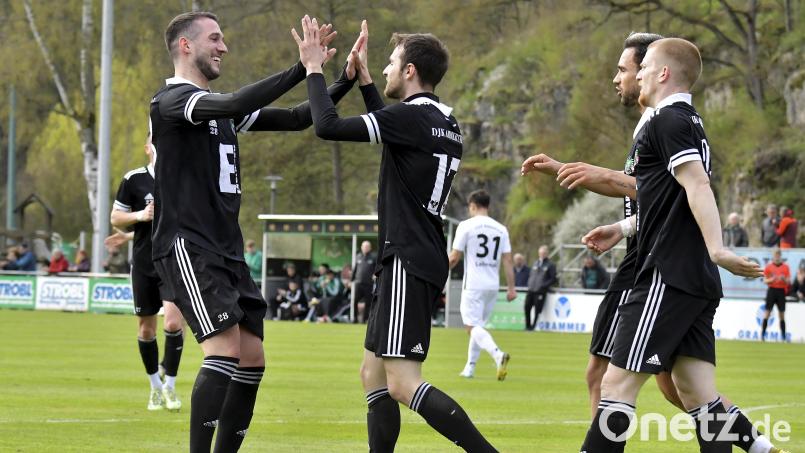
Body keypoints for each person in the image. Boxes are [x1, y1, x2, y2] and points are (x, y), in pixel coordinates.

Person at [523, 33, 782, 453]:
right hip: (692, 275)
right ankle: (763, 450)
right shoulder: (689, 123)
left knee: (616, 383)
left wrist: (718, 248)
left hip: (666, 271)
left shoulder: (668, 120)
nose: (636, 74)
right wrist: (625, 229)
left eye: (642, 68)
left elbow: (697, 184)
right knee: (697, 394)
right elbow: (669, 196)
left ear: (663, 73)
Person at [150, 11, 362, 452]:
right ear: (186, 46)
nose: (224, 47)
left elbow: (298, 118)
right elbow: (232, 103)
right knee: (224, 349)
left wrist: (338, 79)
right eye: (215, 38)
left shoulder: (217, 110)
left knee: (251, 358)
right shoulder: (171, 103)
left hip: (226, 250)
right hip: (189, 244)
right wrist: (303, 66)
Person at [296, 17, 497, 451]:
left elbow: (327, 126)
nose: (385, 68)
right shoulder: (442, 118)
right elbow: (395, 129)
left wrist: (314, 68)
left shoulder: (411, 118)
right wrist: (366, 81)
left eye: (390, 63)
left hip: (407, 257)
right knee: (372, 376)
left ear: (409, 71)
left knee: (403, 384)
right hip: (414, 254)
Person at [111, 131, 185, 412]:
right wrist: (140, 216)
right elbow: (115, 217)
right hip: (143, 264)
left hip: (174, 261)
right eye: (157, 144)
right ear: (148, 148)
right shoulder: (133, 180)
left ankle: (171, 387)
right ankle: (155, 386)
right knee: (146, 329)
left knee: (174, 324)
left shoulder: (181, 179)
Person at [448, 189, 516, 380]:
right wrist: (511, 288)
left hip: (474, 284)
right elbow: (508, 260)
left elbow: (454, 257)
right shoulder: (501, 229)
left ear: (472, 206)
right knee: (478, 327)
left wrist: (434, 272)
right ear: (488, 206)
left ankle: (497, 355)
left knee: (471, 327)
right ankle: (469, 368)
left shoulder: (466, 226)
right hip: (492, 285)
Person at [524, 245, 556, 330]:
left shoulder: (550, 265)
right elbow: (531, 275)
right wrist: (529, 284)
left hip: (540, 291)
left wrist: (543, 286)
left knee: (537, 310)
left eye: (544, 253)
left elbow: (553, 278)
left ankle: (533, 326)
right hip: (531, 289)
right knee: (527, 306)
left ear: (547, 254)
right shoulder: (535, 263)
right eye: (540, 253)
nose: (542, 254)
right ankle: (527, 326)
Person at [761, 248, 790, 341]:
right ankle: (762, 335)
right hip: (772, 290)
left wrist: (784, 279)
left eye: (778, 255)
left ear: (780, 256)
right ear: (773, 256)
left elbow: (789, 281)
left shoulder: (786, 267)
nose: (777, 257)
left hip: (781, 291)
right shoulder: (769, 267)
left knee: (781, 314)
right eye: (775, 255)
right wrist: (772, 280)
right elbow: (765, 280)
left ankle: (783, 337)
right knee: (767, 313)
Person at [352, 241, 376, 323]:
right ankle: (354, 318)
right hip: (358, 283)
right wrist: (351, 280)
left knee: (368, 302)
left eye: (367, 246)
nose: (365, 248)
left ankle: (365, 319)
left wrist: (375, 275)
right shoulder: (358, 256)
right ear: (362, 247)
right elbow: (355, 269)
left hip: (368, 283)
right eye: (364, 246)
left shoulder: (373, 257)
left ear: (370, 248)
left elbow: (377, 269)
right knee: (355, 301)